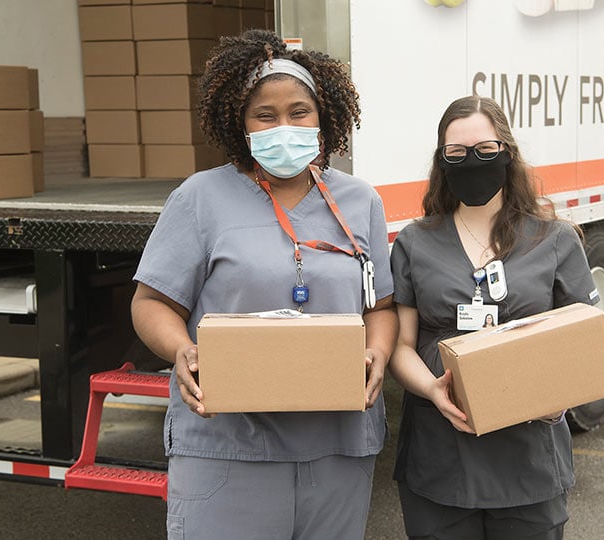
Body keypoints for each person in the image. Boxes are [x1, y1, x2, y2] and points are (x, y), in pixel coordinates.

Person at [131, 29, 396, 540]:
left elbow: (380, 306)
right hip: (228, 448)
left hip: (337, 448)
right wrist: (183, 350)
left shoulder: (361, 202)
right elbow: (151, 302)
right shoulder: (199, 199)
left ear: (323, 119)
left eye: (299, 112)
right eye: (265, 115)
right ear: (241, 122)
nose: (284, 126)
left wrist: (378, 354)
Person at [388, 96, 599, 539]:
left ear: (507, 154)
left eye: (485, 151)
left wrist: (557, 398)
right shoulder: (415, 242)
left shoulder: (555, 239)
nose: (472, 162)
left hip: (529, 456)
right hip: (440, 454)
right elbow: (401, 347)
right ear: (441, 161)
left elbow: (586, 344)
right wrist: (431, 388)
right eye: (457, 154)